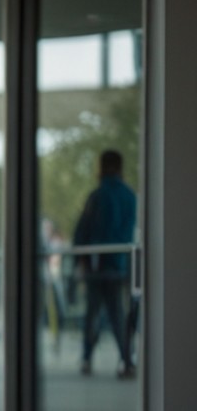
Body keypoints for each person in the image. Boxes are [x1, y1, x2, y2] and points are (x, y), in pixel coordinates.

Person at [73, 149, 137, 379]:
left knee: (92, 313)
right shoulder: (130, 196)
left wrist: (80, 259)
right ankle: (126, 359)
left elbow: (83, 230)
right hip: (119, 264)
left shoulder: (98, 196)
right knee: (117, 314)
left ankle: (87, 359)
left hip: (97, 264)